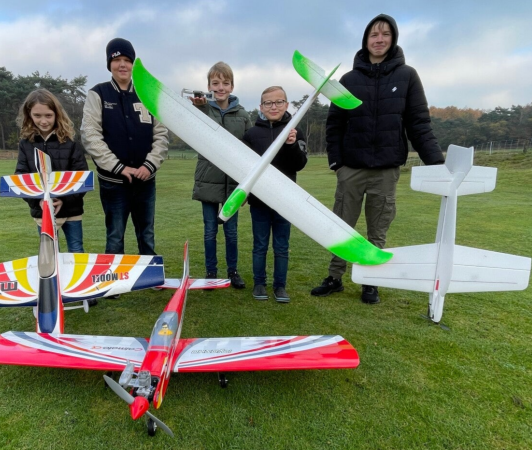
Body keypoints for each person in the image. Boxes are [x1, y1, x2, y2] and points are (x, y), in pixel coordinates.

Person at [310, 14, 445, 304]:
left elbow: (419, 124)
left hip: (386, 169)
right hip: (351, 168)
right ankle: (334, 277)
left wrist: (436, 163)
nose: (379, 39)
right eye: (374, 34)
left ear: (393, 39)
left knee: (378, 229)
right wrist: (337, 163)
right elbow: (334, 124)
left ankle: (370, 280)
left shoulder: (407, 76)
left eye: (385, 34)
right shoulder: (349, 79)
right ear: (366, 40)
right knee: (341, 226)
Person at [81, 38, 169, 256]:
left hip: (145, 182)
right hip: (113, 184)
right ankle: (114, 277)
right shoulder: (98, 93)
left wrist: (149, 165)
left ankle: (148, 273)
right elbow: (90, 135)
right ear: (109, 64)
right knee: (115, 237)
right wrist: (118, 167)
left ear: (133, 64)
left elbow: (161, 134)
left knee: (146, 235)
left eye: (127, 60)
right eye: (116, 59)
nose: (122, 64)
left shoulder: (147, 93)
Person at [189, 62, 251, 288]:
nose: (220, 87)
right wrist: (200, 108)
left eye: (225, 83)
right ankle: (211, 272)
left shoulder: (242, 115)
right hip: (208, 181)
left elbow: (249, 151)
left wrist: (246, 187)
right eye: (215, 83)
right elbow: (194, 130)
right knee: (209, 231)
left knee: (231, 232)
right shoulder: (203, 109)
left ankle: (232, 271)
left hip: (233, 184)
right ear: (209, 86)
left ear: (232, 86)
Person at [243, 86, 307, 303]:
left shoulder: (295, 131)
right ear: (261, 107)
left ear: (286, 105)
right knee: (260, 245)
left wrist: (291, 145)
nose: (274, 107)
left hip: (284, 201)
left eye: (279, 102)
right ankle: (259, 283)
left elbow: (299, 164)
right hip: (259, 201)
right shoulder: (251, 134)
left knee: (281, 247)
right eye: (268, 103)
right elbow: (243, 167)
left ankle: (280, 286)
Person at [15, 88, 89, 253]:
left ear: (57, 114)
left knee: (76, 250)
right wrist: (39, 201)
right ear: (29, 115)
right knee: (50, 254)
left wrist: (62, 200)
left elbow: (81, 177)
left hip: (71, 210)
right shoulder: (25, 144)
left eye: (48, 115)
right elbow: (21, 177)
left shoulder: (70, 142)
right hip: (42, 213)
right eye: (37, 115)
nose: (43, 121)